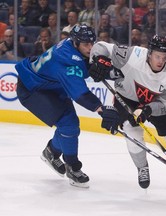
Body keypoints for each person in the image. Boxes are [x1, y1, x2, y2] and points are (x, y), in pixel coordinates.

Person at [88, 34, 166, 196]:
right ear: (149, 54)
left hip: (155, 103)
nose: (161, 61)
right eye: (157, 56)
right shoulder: (132, 56)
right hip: (127, 97)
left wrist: (148, 110)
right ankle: (142, 168)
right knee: (132, 131)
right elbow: (101, 46)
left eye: (164, 57)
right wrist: (100, 61)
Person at [15, 24, 120, 188]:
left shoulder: (70, 44)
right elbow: (81, 94)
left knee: (70, 127)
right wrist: (102, 109)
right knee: (69, 125)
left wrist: (109, 72)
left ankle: (51, 152)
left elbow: (85, 66)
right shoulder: (67, 62)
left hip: (51, 85)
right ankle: (72, 167)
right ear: (76, 42)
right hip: (32, 88)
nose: (90, 48)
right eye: (86, 44)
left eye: (92, 43)